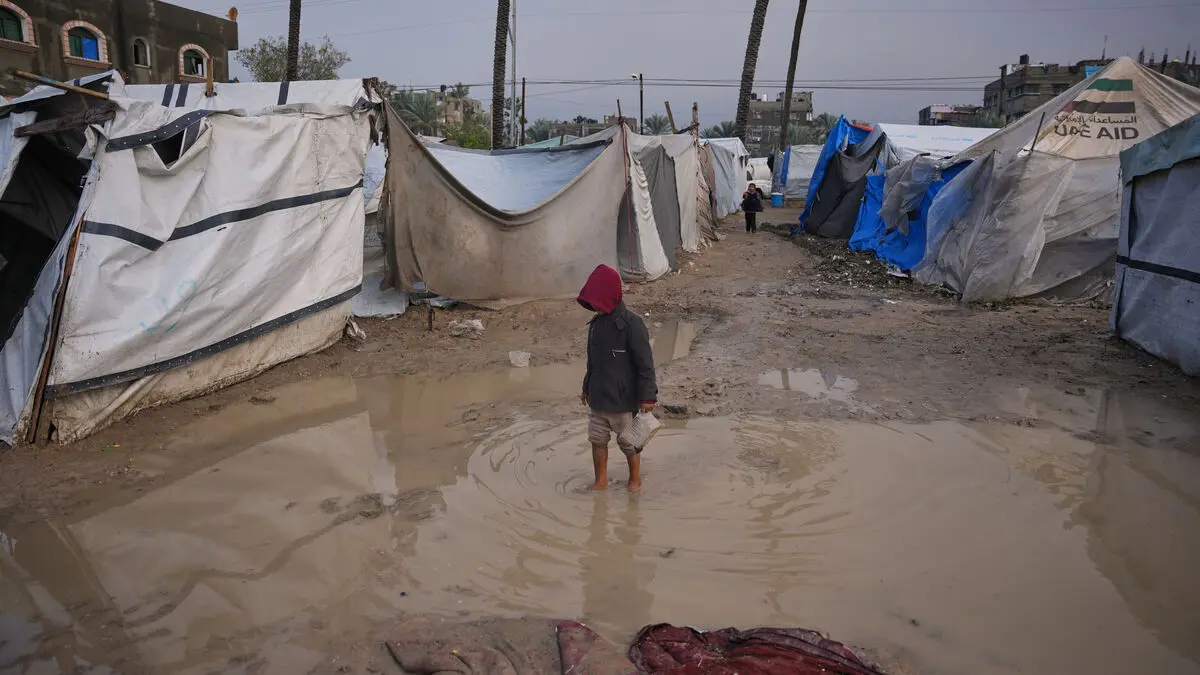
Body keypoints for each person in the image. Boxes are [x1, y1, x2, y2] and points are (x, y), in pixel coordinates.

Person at [577, 264, 657, 492]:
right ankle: (600, 481)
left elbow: (645, 365)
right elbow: (592, 361)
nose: (593, 306)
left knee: (630, 443)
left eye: (596, 301)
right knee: (597, 440)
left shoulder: (633, 325)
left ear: (609, 297)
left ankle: (634, 480)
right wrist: (586, 387)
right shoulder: (595, 326)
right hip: (599, 398)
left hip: (623, 401)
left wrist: (648, 397)